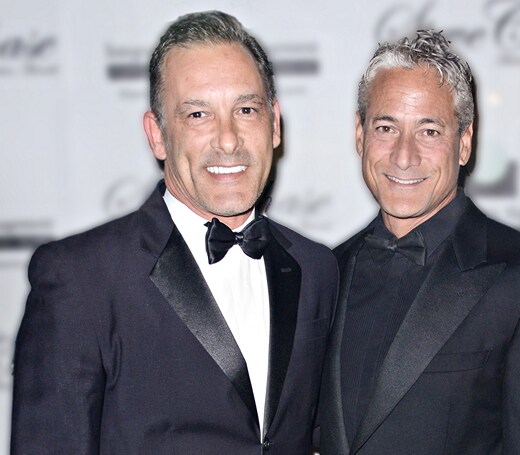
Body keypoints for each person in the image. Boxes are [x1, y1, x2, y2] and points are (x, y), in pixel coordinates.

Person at [11, 11, 337, 454]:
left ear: (275, 123)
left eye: (246, 110)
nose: (228, 140)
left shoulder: (316, 268)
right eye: (198, 114)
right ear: (157, 135)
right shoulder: (81, 279)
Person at [319, 30, 520, 454]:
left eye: (429, 131)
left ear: (464, 143)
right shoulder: (322, 274)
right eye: (386, 127)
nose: (403, 156)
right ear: (359, 134)